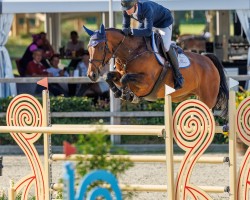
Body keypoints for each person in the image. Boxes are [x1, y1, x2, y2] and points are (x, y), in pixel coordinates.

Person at [121, 0, 184, 89]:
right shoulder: (126, 10)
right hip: (147, 21)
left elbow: (148, 32)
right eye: (125, 9)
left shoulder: (146, 7)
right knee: (138, 40)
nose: (127, 11)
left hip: (163, 22)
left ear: (135, 4)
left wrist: (131, 31)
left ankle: (178, 76)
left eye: (128, 9)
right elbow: (125, 27)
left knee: (165, 46)